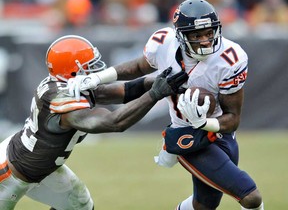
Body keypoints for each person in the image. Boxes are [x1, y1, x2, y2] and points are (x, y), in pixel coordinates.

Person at [67, 0, 264, 210]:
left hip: (220, 133)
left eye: (209, 33)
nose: (206, 40)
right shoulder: (164, 43)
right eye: (197, 35)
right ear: (181, 36)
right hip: (187, 136)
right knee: (250, 197)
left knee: (204, 205)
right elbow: (138, 67)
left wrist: (204, 121)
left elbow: (232, 119)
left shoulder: (230, 59)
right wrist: (99, 78)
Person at [0, 35, 187, 210]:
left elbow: (125, 91)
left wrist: (162, 81)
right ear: (71, 71)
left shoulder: (68, 85)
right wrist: (155, 94)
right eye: (88, 67)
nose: (94, 71)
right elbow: (114, 122)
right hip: (10, 174)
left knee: (80, 205)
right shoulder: (61, 100)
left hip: (39, 168)